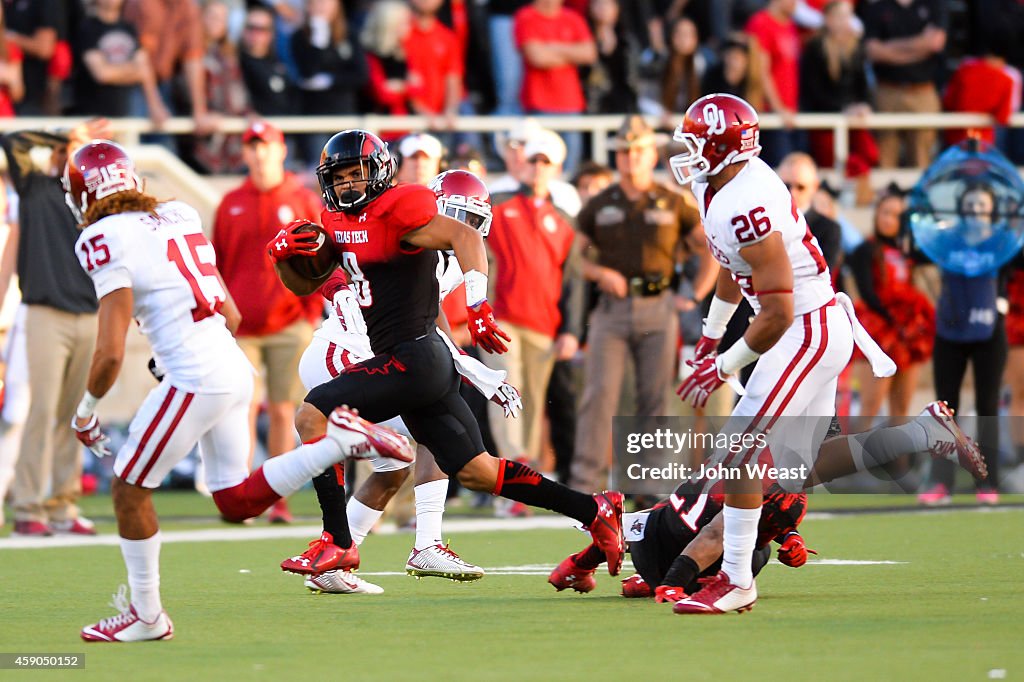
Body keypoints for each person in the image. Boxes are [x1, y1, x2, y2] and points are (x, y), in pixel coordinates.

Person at [67, 140, 413, 642]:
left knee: (127, 488)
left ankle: (146, 616)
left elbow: (110, 352)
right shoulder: (178, 213)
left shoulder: (100, 237)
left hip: (196, 373)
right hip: (228, 363)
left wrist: (87, 411)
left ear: (81, 195)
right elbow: (229, 314)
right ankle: (339, 443)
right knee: (232, 502)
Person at [668, 93, 985, 614]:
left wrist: (722, 366)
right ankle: (923, 432)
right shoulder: (717, 185)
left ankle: (735, 579)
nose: (689, 152)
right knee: (794, 471)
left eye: (698, 142)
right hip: (809, 326)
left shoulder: (747, 201)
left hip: (804, 327)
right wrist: (710, 334)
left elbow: (774, 311)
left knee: (741, 451)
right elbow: (731, 265)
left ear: (724, 147)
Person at [268, 129, 626, 581]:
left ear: (379, 173)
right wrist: (282, 259)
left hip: (410, 359)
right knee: (477, 471)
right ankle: (593, 508)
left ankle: (338, 543)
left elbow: (465, 238)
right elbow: (309, 282)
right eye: (337, 177)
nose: (346, 185)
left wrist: (477, 306)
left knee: (311, 416)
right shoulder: (337, 221)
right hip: (420, 361)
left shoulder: (402, 208)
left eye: (355, 174)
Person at [292, 169, 520, 591]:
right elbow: (340, 267)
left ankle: (335, 564)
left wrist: (472, 369)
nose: (462, 229)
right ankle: (424, 543)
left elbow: (430, 326)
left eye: (471, 221)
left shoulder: (444, 257)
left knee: (396, 463)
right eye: (456, 216)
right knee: (430, 423)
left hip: (374, 355)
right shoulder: (405, 235)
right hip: (344, 350)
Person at [571, 115, 713, 494]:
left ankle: (651, 485)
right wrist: (600, 273)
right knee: (600, 394)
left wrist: (696, 294)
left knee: (655, 397)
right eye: (623, 152)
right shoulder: (601, 202)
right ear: (616, 157)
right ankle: (587, 485)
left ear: (652, 154)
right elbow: (574, 256)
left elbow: (709, 245)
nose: (630, 158)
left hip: (659, 305)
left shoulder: (672, 199)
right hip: (613, 308)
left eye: (637, 150)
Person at [211, 120, 324, 524]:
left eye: (266, 145)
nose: (259, 153)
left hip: (289, 322)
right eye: (252, 146)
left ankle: (276, 498)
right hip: (242, 326)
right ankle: (241, 494)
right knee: (240, 408)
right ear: (244, 153)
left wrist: (311, 314)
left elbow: (321, 262)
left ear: (280, 150)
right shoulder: (230, 203)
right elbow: (217, 264)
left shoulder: (301, 199)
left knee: (282, 410)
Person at [0, 120, 107, 538]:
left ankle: (62, 504)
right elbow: (12, 141)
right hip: (45, 313)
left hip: (89, 314)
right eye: (69, 149)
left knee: (75, 415)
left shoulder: (94, 198)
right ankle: (28, 505)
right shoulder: (35, 188)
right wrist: (66, 134)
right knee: (42, 411)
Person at [485, 129, 582, 473]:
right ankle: (513, 467)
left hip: (544, 322)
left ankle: (525, 473)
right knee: (507, 392)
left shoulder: (565, 220)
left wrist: (571, 329)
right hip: (502, 319)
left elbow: (573, 279)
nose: (538, 168)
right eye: (533, 161)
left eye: (546, 162)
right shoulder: (497, 206)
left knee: (533, 401)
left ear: (556, 168)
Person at [550, 485, 812, 599]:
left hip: (653, 550)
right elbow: (718, 532)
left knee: (644, 521)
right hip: (689, 568)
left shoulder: (736, 470)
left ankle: (578, 567)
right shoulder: (750, 488)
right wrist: (671, 585)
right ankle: (659, 583)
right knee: (751, 546)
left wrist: (790, 536)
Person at [918, 184, 1007, 505]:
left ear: (992, 208)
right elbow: (917, 248)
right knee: (944, 409)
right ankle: (941, 482)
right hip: (950, 330)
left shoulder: (1002, 242)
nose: (975, 210)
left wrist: (1003, 301)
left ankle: (988, 482)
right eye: (969, 204)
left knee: (987, 407)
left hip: (989, 332)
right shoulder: (947, 239)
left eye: (982, 204)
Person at [847, 193, 934, 430]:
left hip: (907, 334)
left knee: (901, 410)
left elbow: (934, 254)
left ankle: (899, 465)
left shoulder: (909, 251)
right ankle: (851, 464)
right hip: (879, 329)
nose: (889, 219)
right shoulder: (865, 249)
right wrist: (892, 319)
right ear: (877, 215)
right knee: (870, 406)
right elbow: (867, 293)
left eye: (896, 215)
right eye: (885, 213)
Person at [861, 0, 947, 167]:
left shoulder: (934, 5)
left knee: (922, 158)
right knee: (884, 158)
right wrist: (920, 45)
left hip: (922, 91)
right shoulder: (877, 7)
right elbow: (872, 51)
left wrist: (889, 49)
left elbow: (935, 43)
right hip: (887, 90)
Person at [513, 0, 597, 172]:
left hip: (570, 103)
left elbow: (589, 53)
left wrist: (552, 48)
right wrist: (571, 53)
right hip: (538, 103)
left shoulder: (573, 17)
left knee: (570, 170)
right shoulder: (526, 16)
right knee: (539, 168)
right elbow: (537, 57)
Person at [72, 0, 168, 127]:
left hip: (126, 114)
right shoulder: (87, 28)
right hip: (93, 116)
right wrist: (134, 70)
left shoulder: (130, 29)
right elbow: (102, 74)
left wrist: (155, 105)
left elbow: (145, 70)